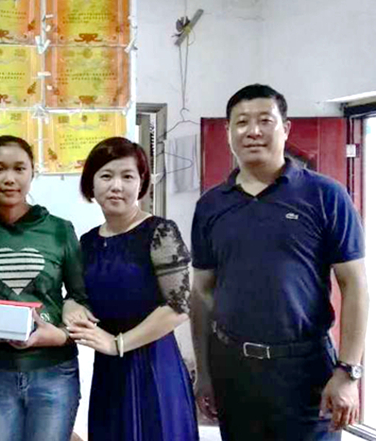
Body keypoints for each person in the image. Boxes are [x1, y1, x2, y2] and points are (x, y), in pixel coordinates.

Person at [191, 84, 368, 440]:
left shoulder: (325, 195)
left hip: (306, 372)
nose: (253, 131)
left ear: (285, 128)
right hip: (235, 369)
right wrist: (205, 373)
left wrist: (348, 371)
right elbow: (202, 293)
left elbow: (355, 286)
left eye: (265, 120)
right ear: (228, 132)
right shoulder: (211, 206)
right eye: (241, 122)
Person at [0, 135, 92, 441]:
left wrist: (60, 335)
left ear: (32, 172)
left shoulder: (59, 230)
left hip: (55, 371)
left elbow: (81, 297)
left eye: (19, 168)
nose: (9, 179)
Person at [66, 137, 199, 440]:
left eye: (127, 176)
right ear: (91, 184)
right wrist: (71, 304)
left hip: (154, 365)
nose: (117, 186)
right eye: (106, 176)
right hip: (109, 370)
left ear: (141, 183)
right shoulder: (88, 242)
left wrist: (119, 344)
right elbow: (82, 295)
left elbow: (180, 306)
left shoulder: (160, 232)